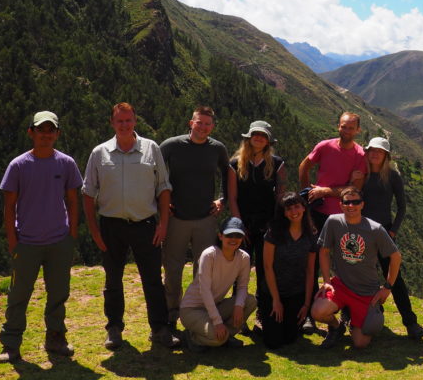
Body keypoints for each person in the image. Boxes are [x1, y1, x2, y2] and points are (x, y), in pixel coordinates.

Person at [82, 102, 180, 350]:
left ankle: (159, 329)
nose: (124, 125)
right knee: (113, 280)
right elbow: (88, 193)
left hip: (145, 225)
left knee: (152, 280)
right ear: (112, 123)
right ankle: (114, 328)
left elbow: (163, 188)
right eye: (119, 121)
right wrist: (94, 231)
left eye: (128, 120)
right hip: (111, 226)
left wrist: (163, 224)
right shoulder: (99, 153)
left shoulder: (151, 149)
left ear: (135, 120)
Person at [0, 111, 82, 363]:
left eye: (50, 130)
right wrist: (14, 242)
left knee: (58, 294)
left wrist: (71, 235)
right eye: (41, 129)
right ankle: (11, 344)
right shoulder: (18, 165)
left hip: (59, 242)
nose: (46, 134)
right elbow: (9, 207)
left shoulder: (66, 163)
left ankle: (55, 338)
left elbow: (73, 200)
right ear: (31, 133)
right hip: (28, 243)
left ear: (57, 134)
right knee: (18, 295)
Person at [160, 106, 229, 329]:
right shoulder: (171, 146)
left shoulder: (217, 149)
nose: (203, 127)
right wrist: (160, 202)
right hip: (176, 218)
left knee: (203, 271)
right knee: (172, 271)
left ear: (213, 126)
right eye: (199, 123)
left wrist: (222, 200)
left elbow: (229, 174)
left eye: (207, 124)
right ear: (191, 123)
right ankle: (171, 315)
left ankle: (196, 313)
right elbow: (153, 172)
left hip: (205, 220)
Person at [311, 187, 401, 349]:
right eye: (347, 202)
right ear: (341, 205)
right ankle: (336, 327)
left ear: (362, 205)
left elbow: (396, 257)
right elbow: (324, 251)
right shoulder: (333, 222)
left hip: (366, 291)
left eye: (356, 202)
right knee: (318, 311)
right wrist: (326, 281)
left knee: (360, 343)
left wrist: (387, 288)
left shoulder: (375, 229)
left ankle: (357, 319)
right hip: (341, 286)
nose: (351, 206)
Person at [360, 137, 423, 340]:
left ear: (386, 156)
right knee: (363, 275)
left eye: (379, 152)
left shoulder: (392, 176)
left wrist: (393, 231)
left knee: (394, 278)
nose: (374, 154)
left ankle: (411, 323)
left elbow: (402, 207)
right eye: (372, 150)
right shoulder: (360, 174)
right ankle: (365, 317)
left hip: (383, 232)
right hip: (362, 231)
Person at [227, 120, 285, 316]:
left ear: (268, 141)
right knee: (239, 269)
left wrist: (276, 223)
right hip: (243, 223)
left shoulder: (277, 163)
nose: (259, 138)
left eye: (263, 135)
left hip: (267, 223)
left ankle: (263, 311)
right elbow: (232, 197)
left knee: (265, 268)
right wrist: (238, 226)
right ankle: (238, 312)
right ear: (249, 138)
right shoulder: (235, 164)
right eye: (255, 134)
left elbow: (280, 197)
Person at [179, 217, 258, 351]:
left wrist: (238, 306)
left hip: (214, 307)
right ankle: (193, 337)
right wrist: (217, 322)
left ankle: (225, 335)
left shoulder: (244, 258)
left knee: (250, 301)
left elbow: (243, 286)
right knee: (217, 339)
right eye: (229, 235)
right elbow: (205, 290)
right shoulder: (209, 255)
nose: (233, 239)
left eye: (238, 235)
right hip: (192, 310)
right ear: (220, 236)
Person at [260, 192, 318, 349]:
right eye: (289, 209)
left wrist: (307, 304)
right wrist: (276, 300)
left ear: (304, 208)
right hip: (273, 293)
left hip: (295, 293)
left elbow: (310, 271)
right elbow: (267, 267)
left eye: (297, 207)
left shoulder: (311, 234)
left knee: (290, 338)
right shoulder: (274, 233)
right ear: (283, 213)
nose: (294, 212)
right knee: (273, 342)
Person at [298, 112, 367, 232]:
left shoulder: (361, 155)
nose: (346, 131)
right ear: (338, 126)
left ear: (358, 130)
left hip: (344, 214)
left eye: (351, 128)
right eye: (344, 126)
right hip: (317, 210)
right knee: (315, 250)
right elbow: (303, 167)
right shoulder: (324, 146)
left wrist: (324, 191)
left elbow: (355, 190)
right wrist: (307, 193)